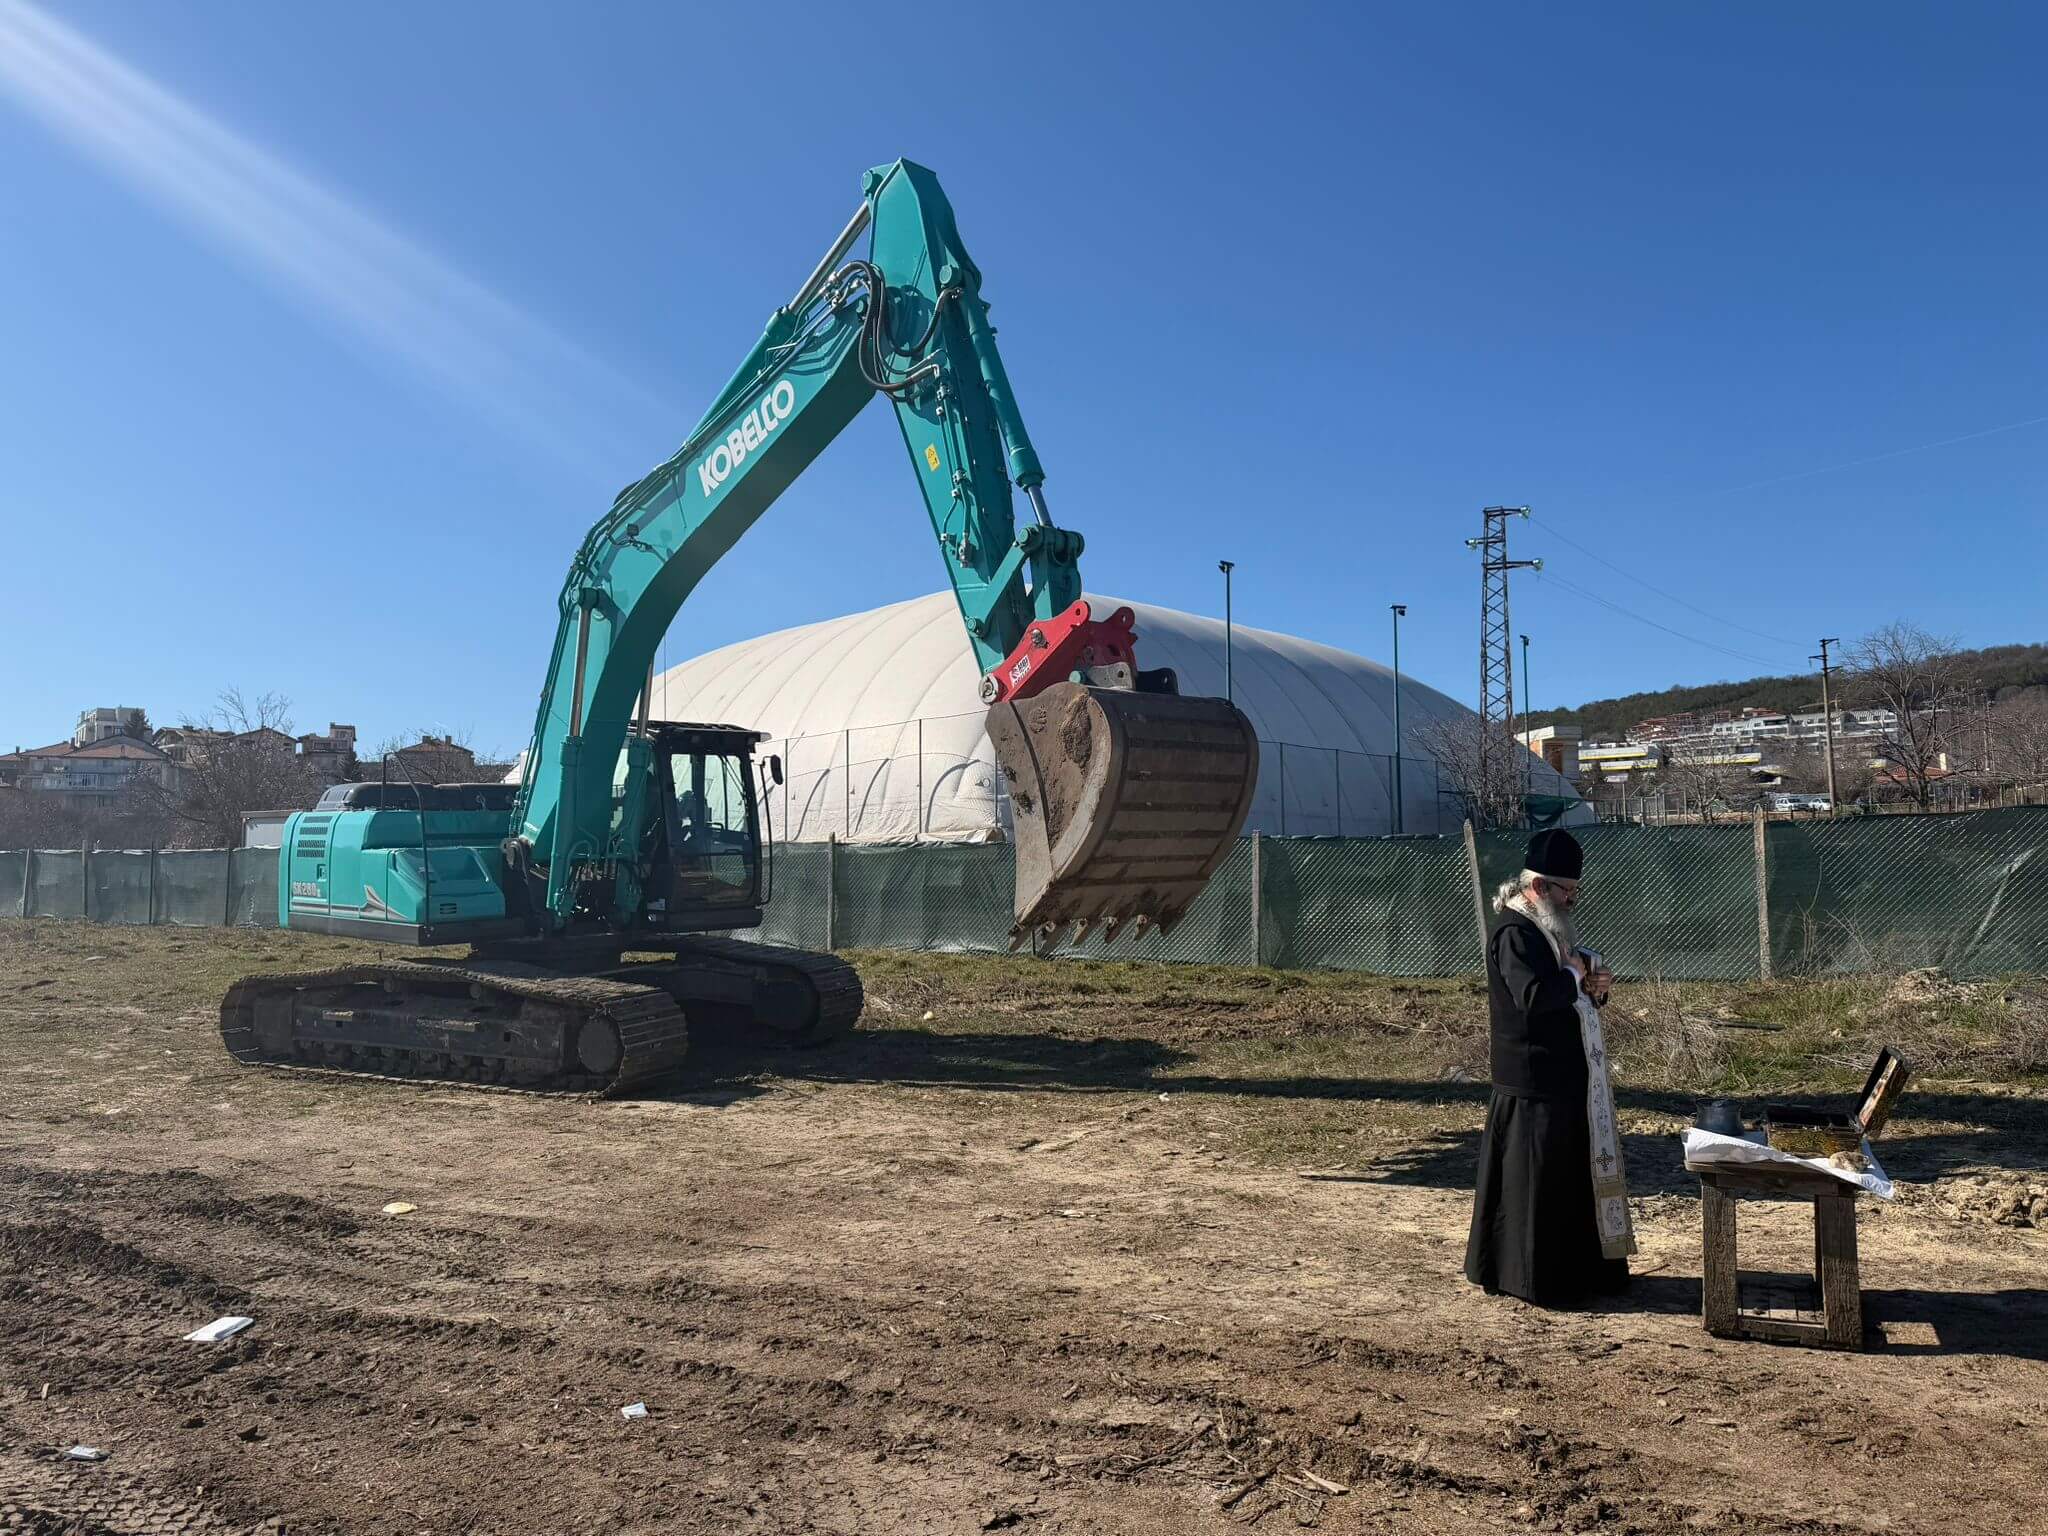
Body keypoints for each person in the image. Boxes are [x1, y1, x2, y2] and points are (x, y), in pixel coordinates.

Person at [1464, 828, 1635, 1306]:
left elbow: (1568, 987)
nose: (1571, 901)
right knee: (1535, 1189)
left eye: (1575, 892)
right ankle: (1535, 1279)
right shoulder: (1514, 932)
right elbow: (1534, 998)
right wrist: (1574, 975)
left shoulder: (1546, 927)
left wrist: (1594, 985)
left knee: (1567, 1184)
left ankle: (1583, 1274)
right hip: (1531, 1081)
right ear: (1539, 887)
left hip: (1563, 1079)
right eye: (1566, 891)